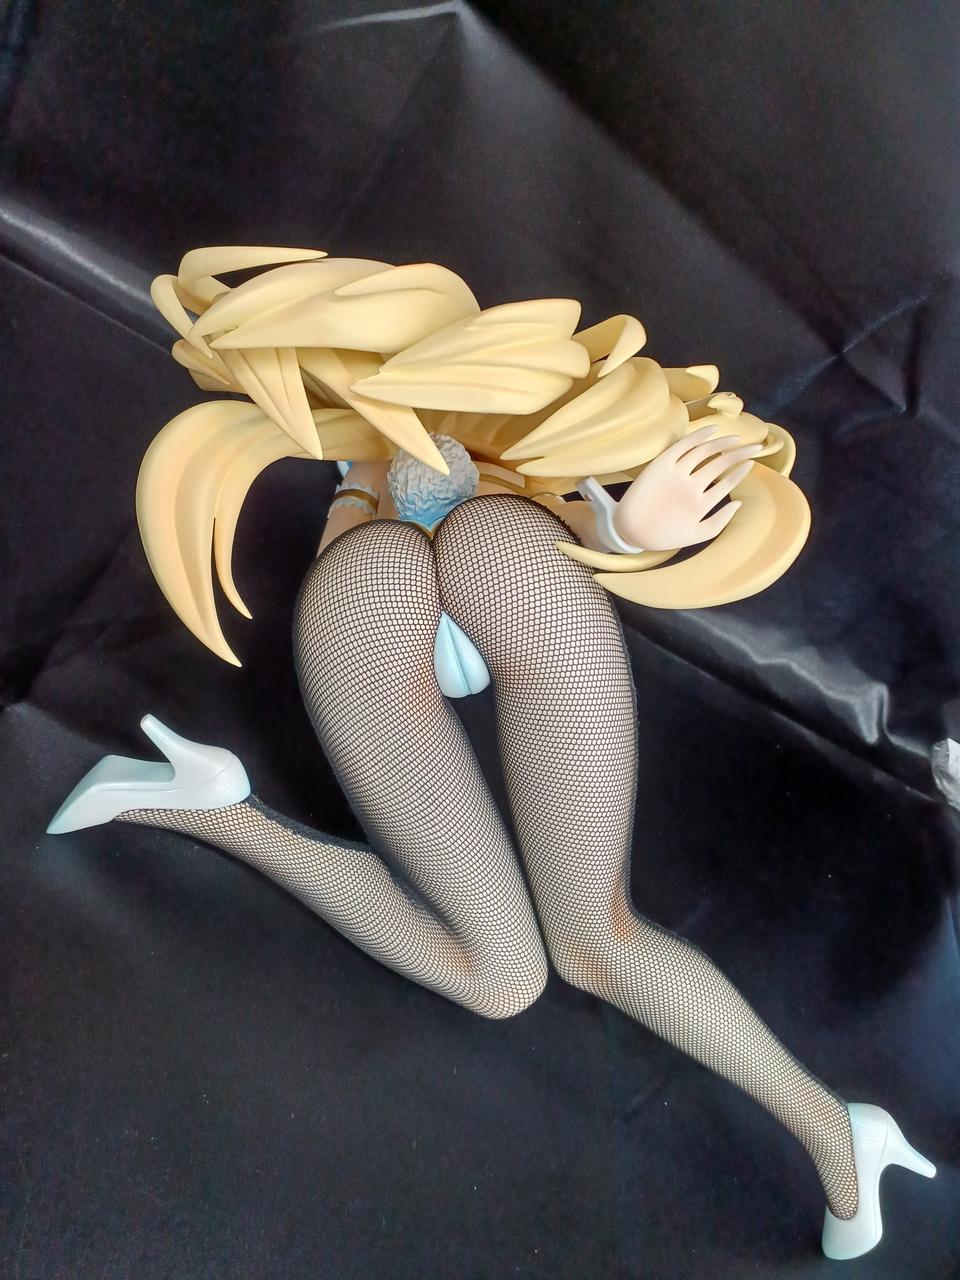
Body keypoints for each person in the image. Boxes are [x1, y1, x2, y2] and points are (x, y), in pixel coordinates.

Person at [47, 247, 935, 1260]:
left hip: (419, 584)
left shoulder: (461, 468)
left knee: (546, 955)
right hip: (434, 579)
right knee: (560, 951)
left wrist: (623, 529)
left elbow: (495, 499)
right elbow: (463, 499)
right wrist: (614, 530)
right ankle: (833, 1130)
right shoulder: (417, 472)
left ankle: (212, 805)